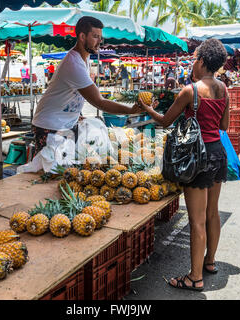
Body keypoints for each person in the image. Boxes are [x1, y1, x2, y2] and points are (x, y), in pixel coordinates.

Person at [138, 38, 229, 292]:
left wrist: (147, 108)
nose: (192, 63)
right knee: (213, 213)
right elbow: (224, 126)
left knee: (196, 220)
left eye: (194, 58)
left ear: (201, 61)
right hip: (217, 154)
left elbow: (166, 121)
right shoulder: (223, 89)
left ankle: (194, 277)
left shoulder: (190, 91)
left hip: (196, 158)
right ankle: (209, 262)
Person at [31, 16, 141, 155]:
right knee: (50, 172)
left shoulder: (85, 57)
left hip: (65, 124)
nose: (99, 42)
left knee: (66, 169)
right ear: (82, 36)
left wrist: (75, 114)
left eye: (100, 38)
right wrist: (131, 110)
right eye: (95, 36)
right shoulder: (73, 63)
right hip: (49, 125)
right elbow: (99, 102)